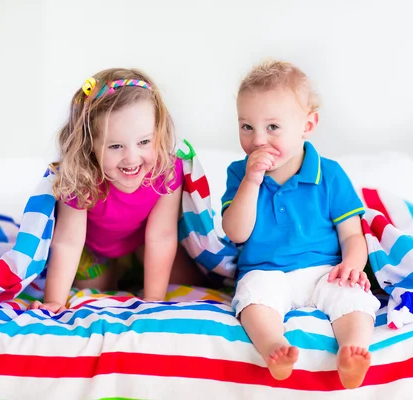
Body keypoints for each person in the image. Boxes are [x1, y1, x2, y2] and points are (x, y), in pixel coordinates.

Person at [221, 60, 380, 388]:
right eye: (246, 127)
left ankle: (353, 350)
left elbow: (352, 234)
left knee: (355, 298)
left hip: (324, 271)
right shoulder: (238, 173)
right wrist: (251, 181)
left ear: (308, 125)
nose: (258, 140)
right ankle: (273, 348)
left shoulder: (330, 174)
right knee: (252, 299)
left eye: (273, 127)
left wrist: (353, 264)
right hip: (266, 272)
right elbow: (236, 232)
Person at [30, 68, 203, 313]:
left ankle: (131, 270)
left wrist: (152, 303)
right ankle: (115, 272)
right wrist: (54, 302)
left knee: (186, 282)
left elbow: (161, 236)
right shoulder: (81, 174)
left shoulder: (166, 169)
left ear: (159, 132)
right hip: (92, 250)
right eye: (115, 146)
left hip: (142, 244)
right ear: (89, 145)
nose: (132, 158)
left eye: (144, 142)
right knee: (98, 291)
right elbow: (68, 241)